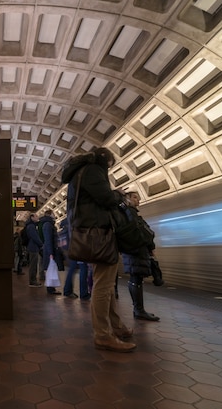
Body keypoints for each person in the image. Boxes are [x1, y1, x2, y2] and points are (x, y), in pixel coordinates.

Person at [61, 147, 136, 352]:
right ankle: (103, 335)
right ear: (106, 160)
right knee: (104, 286)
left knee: (106, 284)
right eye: (110, 165)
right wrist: (119, 194)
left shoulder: (79, 172)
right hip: (99, 236)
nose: (109, 169)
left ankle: (116, 327)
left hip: (93, 235)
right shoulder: (93, 170)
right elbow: (106, 198)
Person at [121, 191, 160, 322]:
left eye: (138, 198)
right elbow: (141, 231)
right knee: (136, 280)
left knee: (136, 280)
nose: (138, 200)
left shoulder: (131, 213)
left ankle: (139, 309)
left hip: (135, 251)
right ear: (127, 199)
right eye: (135, 197)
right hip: (135, 251)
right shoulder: (129, 213)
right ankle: (139, 310)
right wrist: (149, 239)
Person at [60, 217, 90, 300]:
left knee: (71, 270)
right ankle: (84, 294)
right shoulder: (75, 224)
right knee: (83, 270)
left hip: (69, 252)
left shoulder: (63, 229)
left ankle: (67, 291)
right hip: (78, 250)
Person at [40, 210, 62, 295]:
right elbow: (48, 239)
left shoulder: (48, 224)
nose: (55, 215)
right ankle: (50, 289)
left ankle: (51, 288)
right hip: (50, 250)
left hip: (51, 249)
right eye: (53, 213)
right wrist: (50, 253)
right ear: (49, 215)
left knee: (51, 269)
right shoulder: (48, 225)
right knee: (50, 269)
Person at [24, 213, 43, 287]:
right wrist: (41, 244)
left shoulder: (30, 225)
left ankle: (33, 280)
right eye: (36, 216)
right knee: (33, 265)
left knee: (34, 264)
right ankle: (32, 281)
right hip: (33, 247)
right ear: (32, 217)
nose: (37, 217)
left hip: (32, 247)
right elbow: (35, 237)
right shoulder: (31, 226)